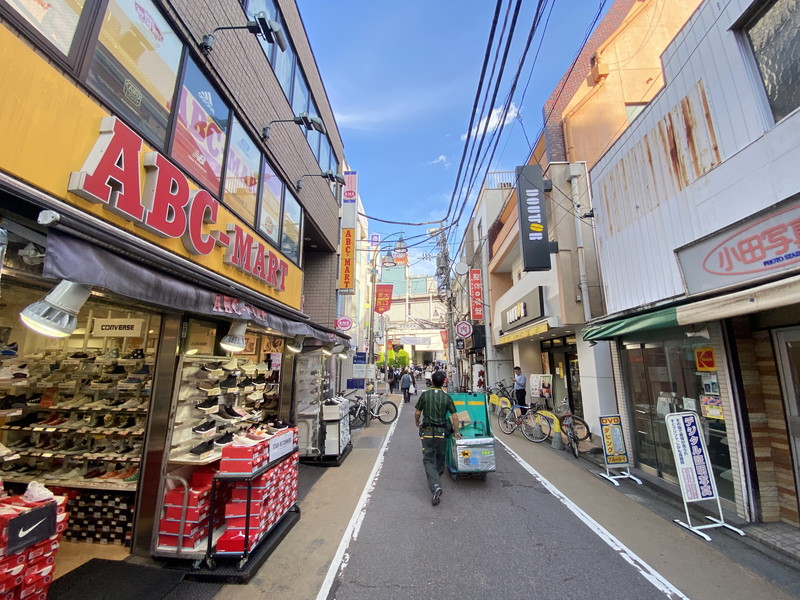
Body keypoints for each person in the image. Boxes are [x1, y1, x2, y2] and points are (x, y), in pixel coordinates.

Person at [414, 370, 461, 506]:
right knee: (440, 457)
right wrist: (456, 431)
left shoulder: (425, 395)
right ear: (443, 382)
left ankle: (435, 485)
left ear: (432, 381)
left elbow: (418, 412)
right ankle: (437, 478)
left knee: (428, 459)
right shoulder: (447, 398)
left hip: (427, 431)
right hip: (442, 432)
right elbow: (455, 417)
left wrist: (417, 422)